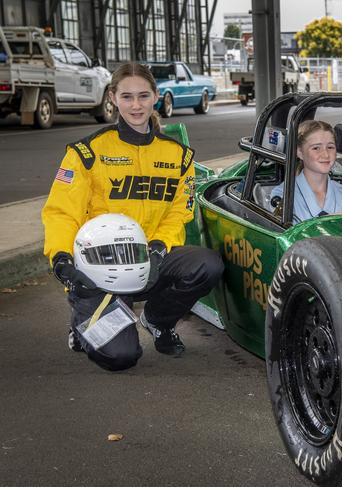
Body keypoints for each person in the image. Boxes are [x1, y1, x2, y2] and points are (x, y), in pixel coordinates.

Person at [42, 62, 224, 371]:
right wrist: (60, 258)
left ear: (156, 96)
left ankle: (158, 321)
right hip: (100, 269)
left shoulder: (178, 156)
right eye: (127, 97)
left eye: (143, 96)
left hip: (151, 257)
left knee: (207, 265)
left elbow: (178, 211)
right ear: (112, 97)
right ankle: (82, 329)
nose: (136, 105)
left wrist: (158, 246)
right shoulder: (86, 152)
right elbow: (61, 212)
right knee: (121, 357)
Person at [271, 120, 342, 223]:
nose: (326, 154)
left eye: (330, 147)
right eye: (316, 148)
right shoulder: (282, 196)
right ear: (300, 152)